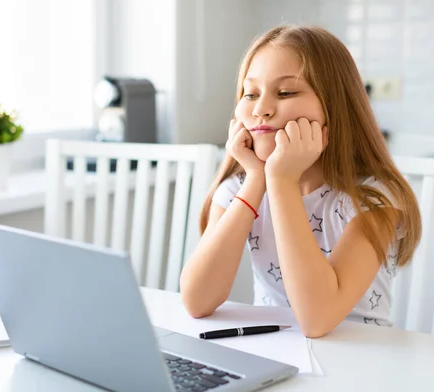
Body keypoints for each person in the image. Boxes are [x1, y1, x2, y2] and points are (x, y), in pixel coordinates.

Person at [179, 25, 421, 338]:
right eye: (250, 93)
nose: (261, 109)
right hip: (277, 354)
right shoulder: (237, 190)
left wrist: (281, 181)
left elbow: (317, 320)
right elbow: (197, 301)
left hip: (361, 359)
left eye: (285, 92)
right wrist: (256, 180)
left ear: (335, 108)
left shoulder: (373, 201)